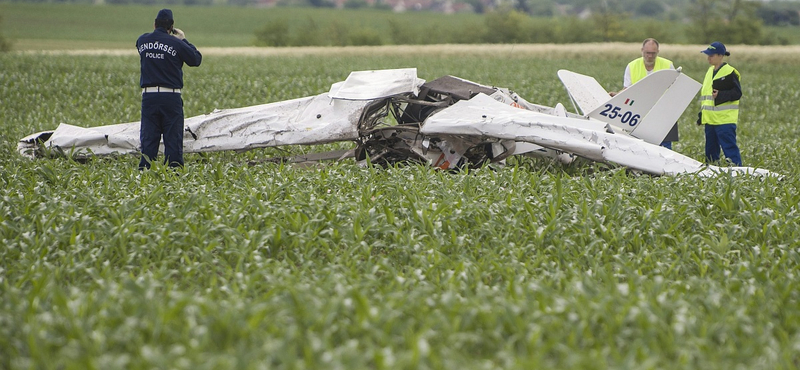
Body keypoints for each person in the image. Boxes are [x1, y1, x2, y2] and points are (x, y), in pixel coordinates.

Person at [137, 9, 202, 169]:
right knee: (173, 139)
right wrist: (183, 40)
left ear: (154, 24)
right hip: (170, 97)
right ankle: (174, 174)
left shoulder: (142, 41)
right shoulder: (176, 43)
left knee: (148, 139)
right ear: (171, 27)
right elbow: (196, 59)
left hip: (149, 97)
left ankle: (145, 175)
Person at [610, 38, 677, 149]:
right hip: (639, 114)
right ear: (642, 51)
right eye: (647, 53)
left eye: (653, 53)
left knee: (664, 149)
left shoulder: (668, 65)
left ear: (658, 52)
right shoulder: (632, 66)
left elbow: (675, 89)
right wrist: (618, 95)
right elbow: (627, 89)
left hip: (663, 113)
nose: (650, 56)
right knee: (640, 147)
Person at [697, 41, 742, 166]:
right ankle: (711, 174)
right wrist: (702, 115)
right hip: (710, 121)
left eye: (711, 55)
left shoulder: (730, 72)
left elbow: (737, 93)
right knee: (710, 153)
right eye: (708, 55)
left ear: (720, 55)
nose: (708, 58)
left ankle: (738, 174)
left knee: (730, 150)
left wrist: (720, 95)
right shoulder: (709, 71)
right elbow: (706, 97)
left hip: (724, 121)